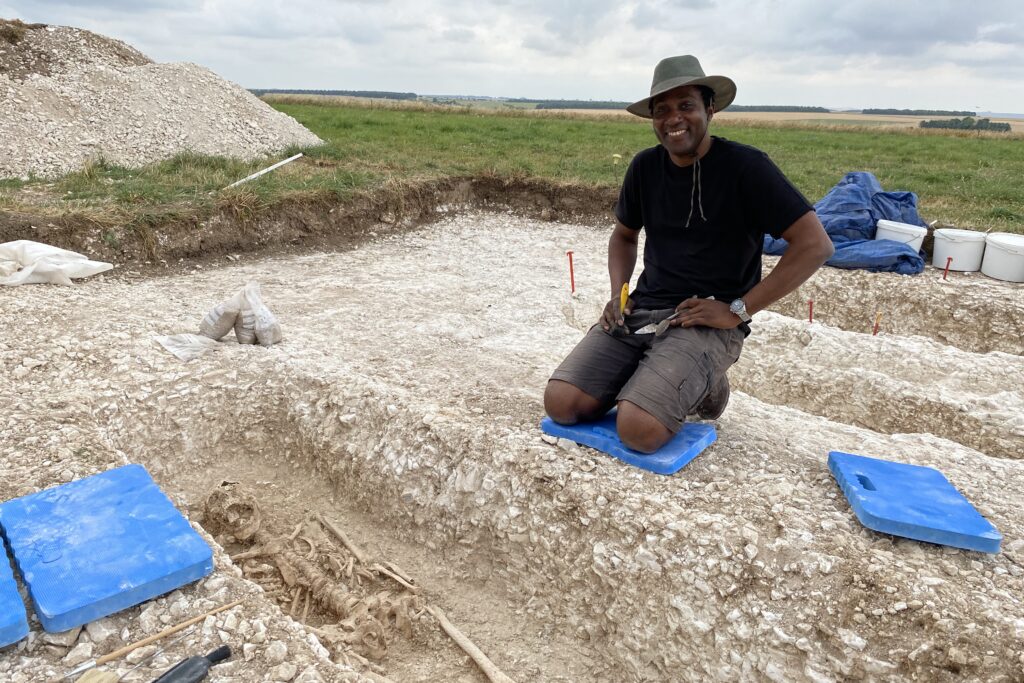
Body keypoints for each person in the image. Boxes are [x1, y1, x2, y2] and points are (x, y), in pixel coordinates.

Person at [544, 55, 834, 454]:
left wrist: (737, 310)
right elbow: (624, 236)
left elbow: (815, 244)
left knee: (638, 430)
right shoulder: (645, 167)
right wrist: (620, 292)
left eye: (686, 106)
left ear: (709, 109)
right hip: (644, 309)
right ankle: (652, 372)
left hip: (707, 319)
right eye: (661, 110)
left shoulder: (747, 168)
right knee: (562, 405)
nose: (673, 119)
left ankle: (707, 386)